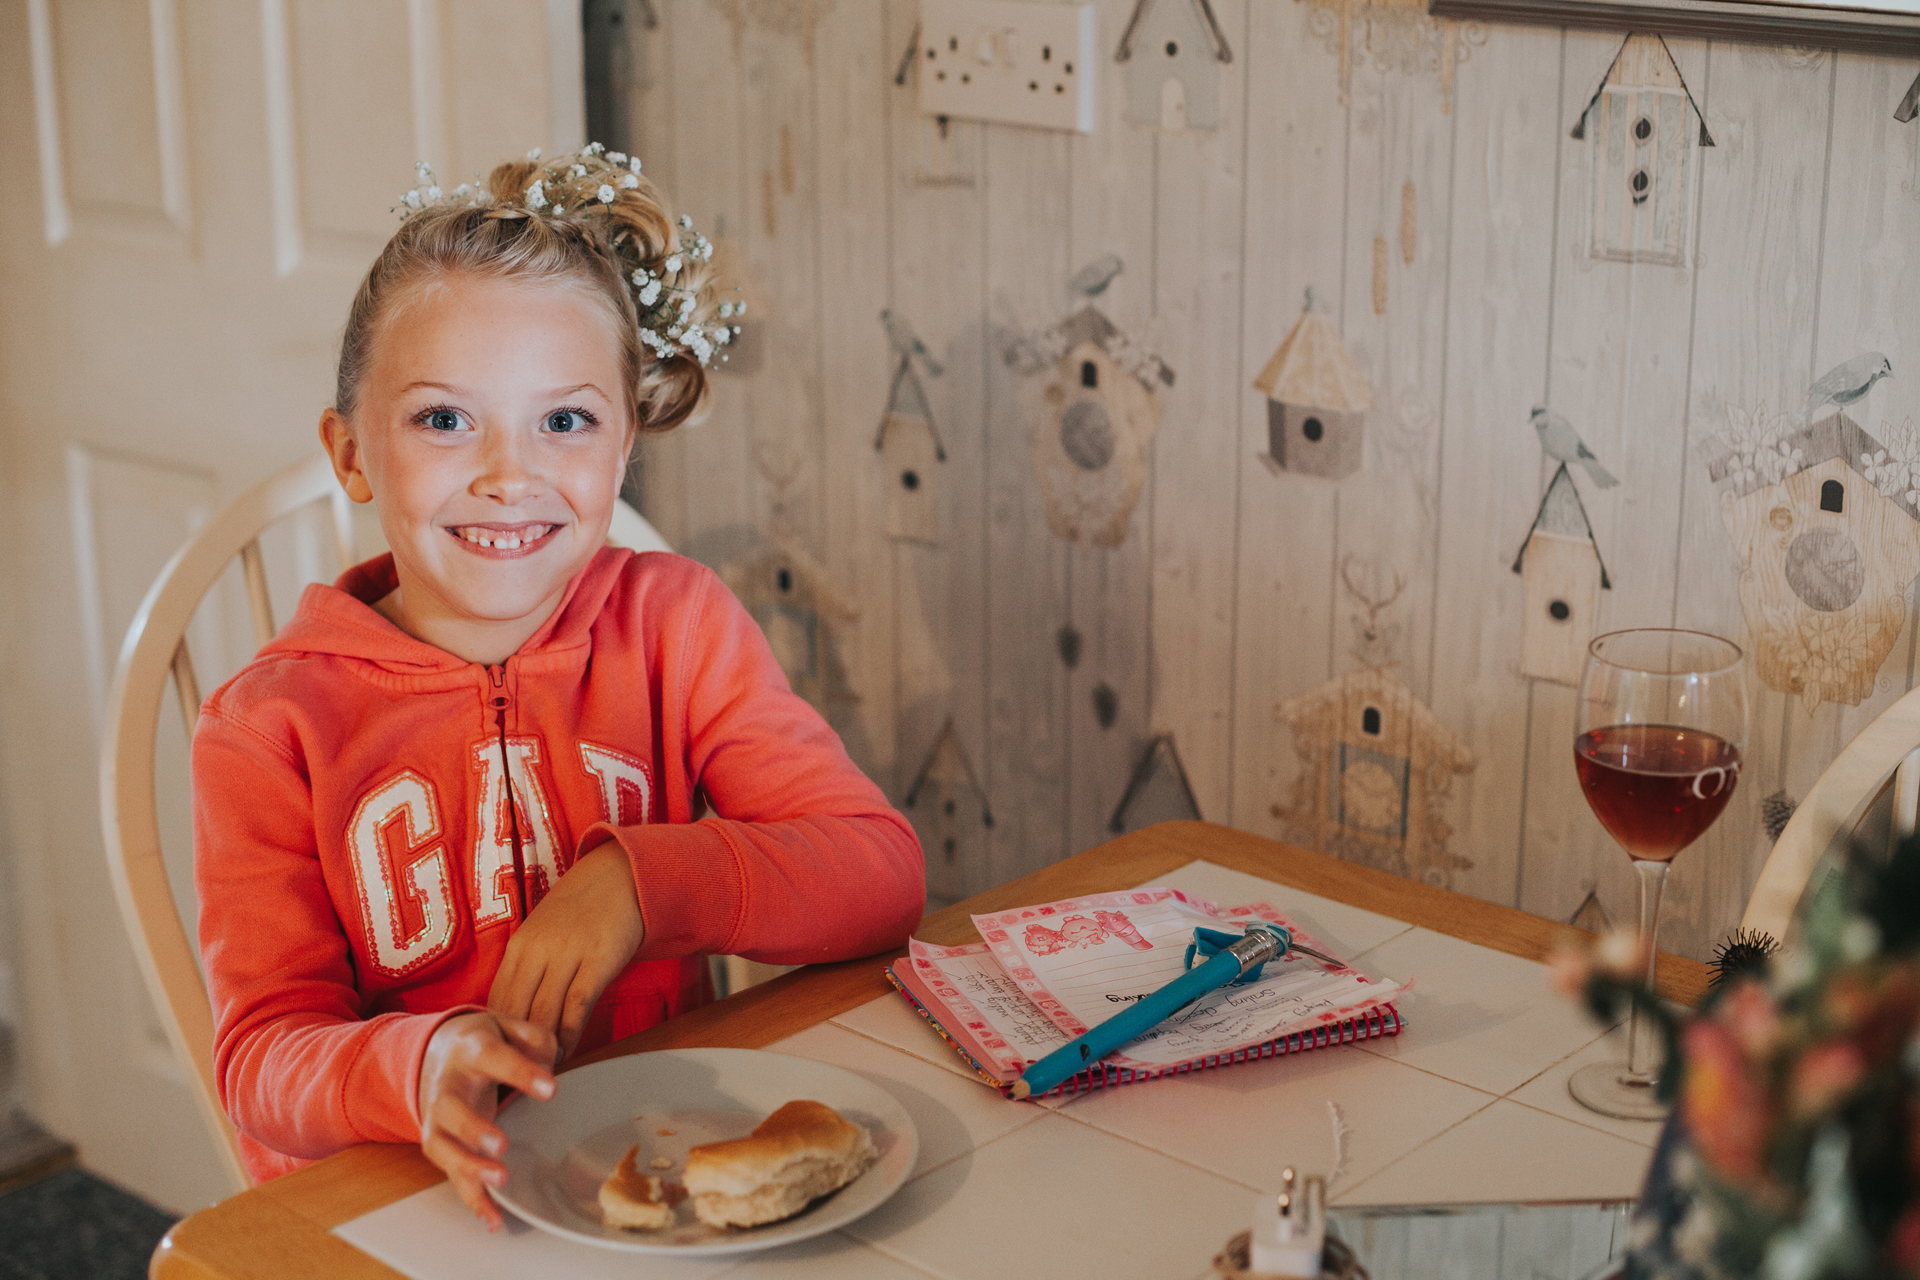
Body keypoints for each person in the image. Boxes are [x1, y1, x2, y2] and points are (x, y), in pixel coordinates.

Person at [191, 146, 925, 1226]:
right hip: (403, 1208)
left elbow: (882, 877)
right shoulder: (271, 727)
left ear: (625, 441)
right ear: (352, 455)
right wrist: (417, 1060)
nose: (509, 472)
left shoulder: (673, 625)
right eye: (444, 419)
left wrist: (642, 885)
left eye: (565, 420)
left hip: (646, 1177)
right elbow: (261, 1058)